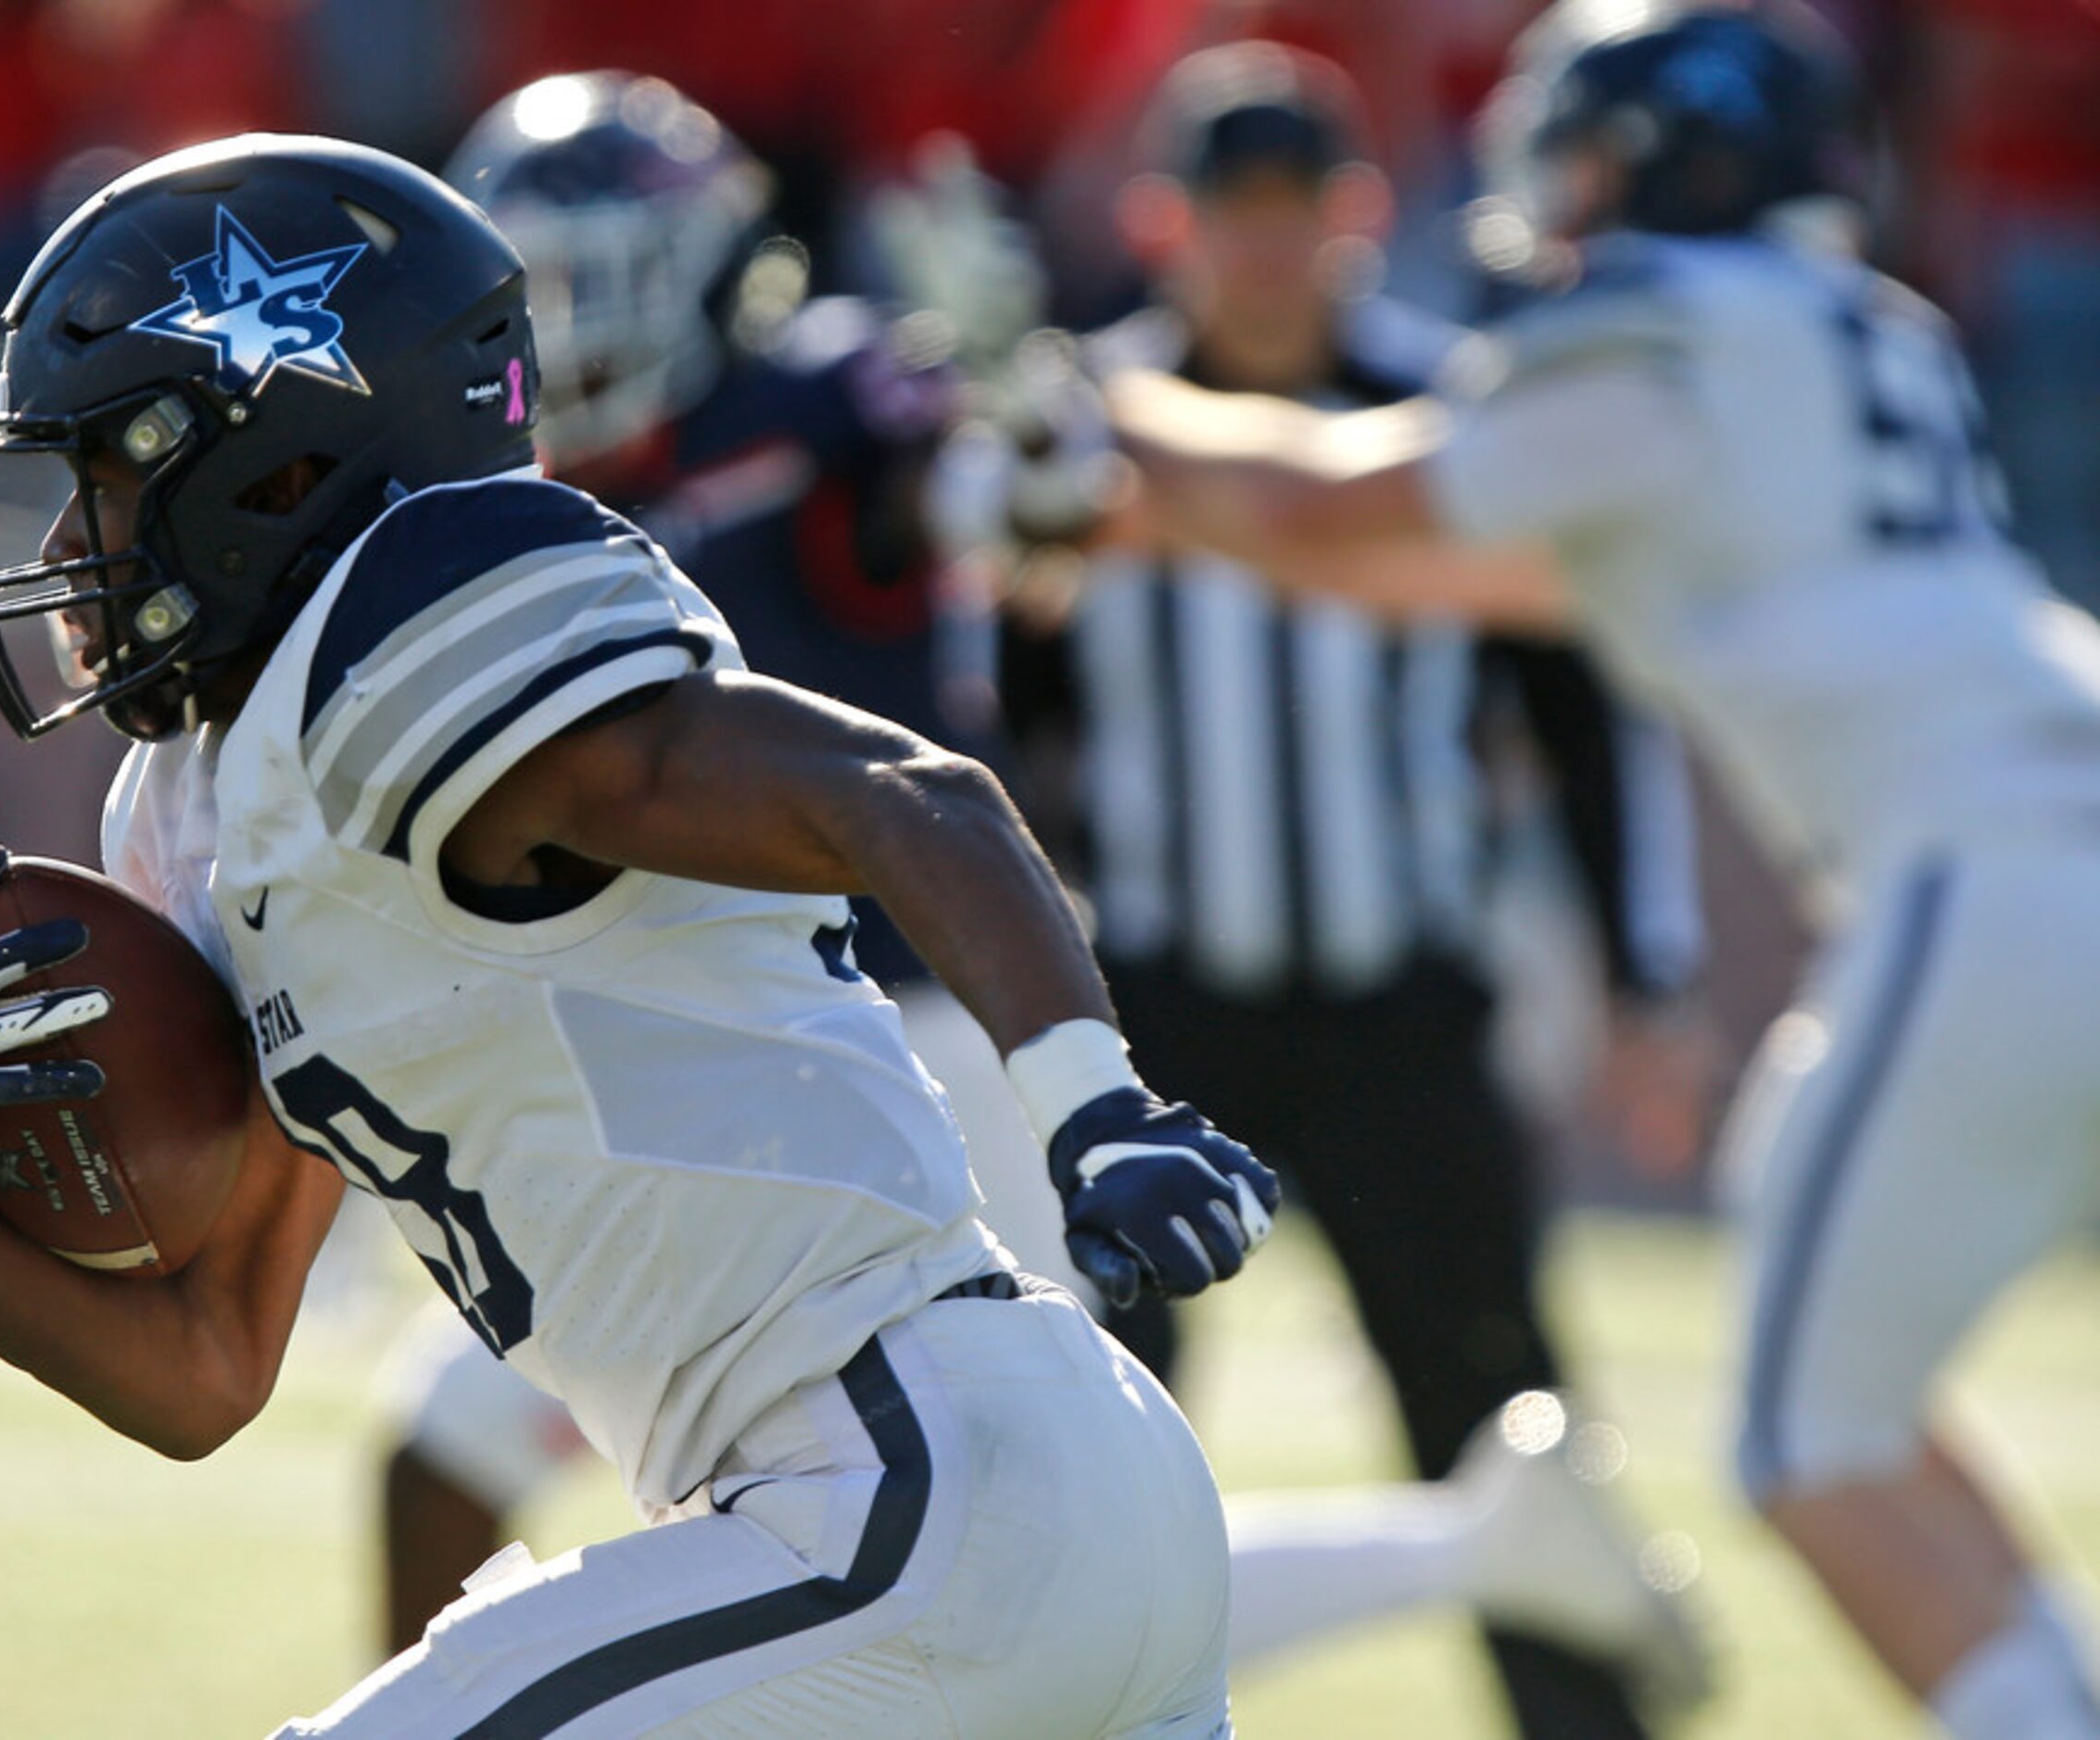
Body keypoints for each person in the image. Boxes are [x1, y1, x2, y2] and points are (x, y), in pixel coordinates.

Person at [0, 132, 1282, 1737]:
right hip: (981, 1501)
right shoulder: (202, 809)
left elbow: (908, 791)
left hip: (909, 1483)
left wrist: (1096, 1107)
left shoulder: (406, 618)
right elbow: (208, 1366)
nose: (70, 549)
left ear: (275, 464)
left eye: (107, 473)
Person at [1100, 6, 2100, 1737]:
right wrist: (1153, 505)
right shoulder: (1862, 330)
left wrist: (1094, 406)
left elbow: (1347, 505)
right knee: (1856, 1403)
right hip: (2044, 822)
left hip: (1987, 870)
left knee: (1807, 1440)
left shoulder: (1662, 334)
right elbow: (1447, 580)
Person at [946, 43, 1709, 1738]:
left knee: (1498, 1399)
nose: (1269, 249)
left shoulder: (1454, 418)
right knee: (1097, 1427)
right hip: (1157, 1010)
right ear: (1171, 224)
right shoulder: (1068, 436)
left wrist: (1649, 980)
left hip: (1400, 1008)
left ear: (1359, 220)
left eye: (1299, 213)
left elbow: (1584, 721)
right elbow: (1003, 733)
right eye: (1238, 214)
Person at [369, 69, 1094, 1654]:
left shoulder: (818, 396)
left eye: (588, 273)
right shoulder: (502, 500)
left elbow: (1021, 507)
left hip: (920, 1025)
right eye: (535, 283)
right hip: (689, 1045)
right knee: (446, 1442)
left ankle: (1465, 1552)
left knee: (1045, 1541)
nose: (562, 322)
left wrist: (1023, 404)